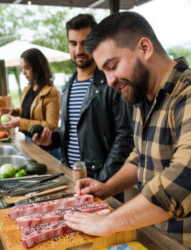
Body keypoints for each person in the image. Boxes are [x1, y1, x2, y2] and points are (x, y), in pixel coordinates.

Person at [63, 12, 191, 249]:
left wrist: (106, 223)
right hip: (159, 241)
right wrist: (107, 187)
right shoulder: (144, 97)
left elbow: (186, 182)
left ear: (144, 48)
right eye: (104, 71)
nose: (109, 81)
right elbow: (141, 157)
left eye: (113, 66)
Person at [33, 14, 134, 201]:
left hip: (103, 182)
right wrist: (51, 140)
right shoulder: (68, 85)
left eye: (85, 42)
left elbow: (125, 137)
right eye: (73, 43)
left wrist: (103, 181)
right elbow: (72, 132)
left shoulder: (111, 83)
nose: (79, 49)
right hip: (72, 178)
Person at [0, 48, 61, 158]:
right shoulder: (28, 88)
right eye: (22, 68)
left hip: (46, 146)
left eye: (27, 68)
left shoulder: (52, 92)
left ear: (38, 68)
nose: (23, 72)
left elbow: (52, 124)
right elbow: (28, 111)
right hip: (28, 140)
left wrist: (20, 122)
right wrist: (13, 111)